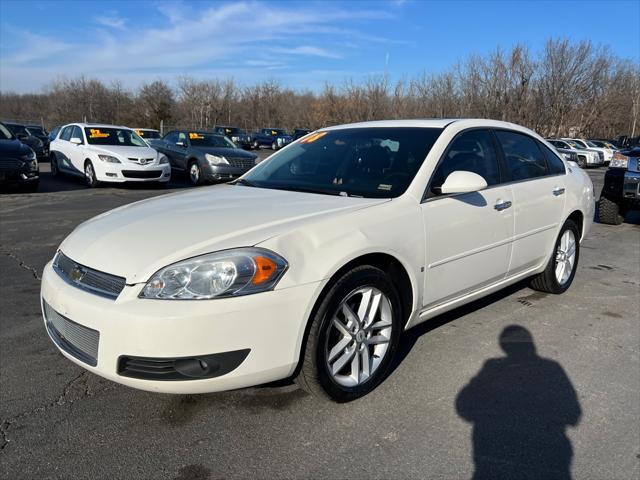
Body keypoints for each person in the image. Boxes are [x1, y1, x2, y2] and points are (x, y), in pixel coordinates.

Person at [456, 325, 581, 480]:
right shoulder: (551, 368)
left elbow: (463, 404)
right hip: (546, 456)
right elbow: (573, 414)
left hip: (492, 456)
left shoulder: (492, 366)